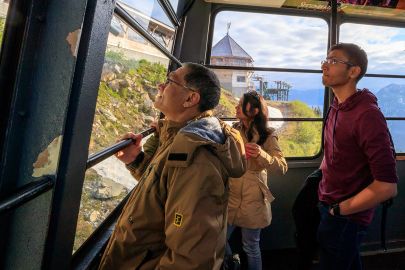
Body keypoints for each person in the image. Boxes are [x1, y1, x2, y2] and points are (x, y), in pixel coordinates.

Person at [99, 63, 247, 270]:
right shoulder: (178, 137)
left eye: (169, 81)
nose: (160, 85)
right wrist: (136, 160)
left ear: (190, 99)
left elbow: (191, 259)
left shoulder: (197, 159)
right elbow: (164, 191)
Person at [318, 43, 398, 270]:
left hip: (346, 216)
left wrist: (339, 210)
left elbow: (387, 187)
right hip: (329, 204)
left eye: (333, 61)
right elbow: (335, 153)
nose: (324, 65)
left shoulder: (367, 116)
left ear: (354, 72)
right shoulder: (337, 106)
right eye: (325, 60)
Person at [225, 91, 288, 270]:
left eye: (240, 104)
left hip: (253, 197)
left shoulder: (267, 135)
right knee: (218, 239)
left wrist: (262, 155)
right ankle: (233, 263)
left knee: (251, 247)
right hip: (231, 193)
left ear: (253, 111)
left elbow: (281, 167)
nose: (236, 107)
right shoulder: (233, 130)